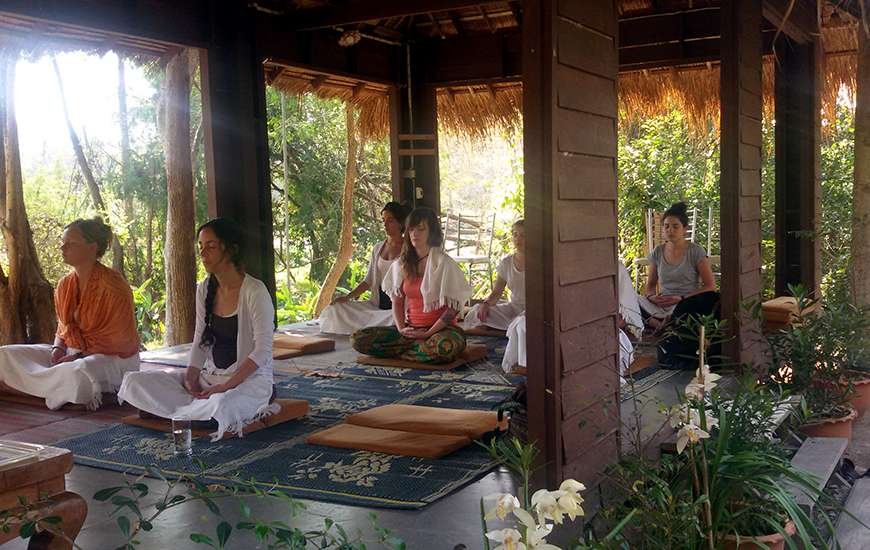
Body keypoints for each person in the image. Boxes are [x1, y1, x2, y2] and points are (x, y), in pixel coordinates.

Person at [119, 218, 278, 440]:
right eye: (201, 247)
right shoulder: (204, 289)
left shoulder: (255, 291)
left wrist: (225, 387)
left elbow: (262, 351)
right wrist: (191, 378)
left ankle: (183, 412)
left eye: (211, 246)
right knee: (135, 381)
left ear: (231, 249)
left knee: (222, 405)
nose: (203, 253)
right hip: (209, 381)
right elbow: (200, 340)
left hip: (246, 382)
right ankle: (192, 412)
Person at [0, 217, 140, 410]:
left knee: (76, 373)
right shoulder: (65, 284)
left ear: (92, 247)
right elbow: (63, 328)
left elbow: (122, 342)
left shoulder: (114, 285)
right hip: (72, 352)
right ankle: (55, 391)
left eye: (70, 244)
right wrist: (57, 349)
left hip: (112, 359)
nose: (62, 248)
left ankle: (32, 388)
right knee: (5, 355)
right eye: (62, 243)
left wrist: (76, 357)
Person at [351, 207, 473, 364]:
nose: (415, 234)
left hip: (441, 331)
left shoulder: (444, 263)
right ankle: (416, 350)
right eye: (412, 229)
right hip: (411, 330)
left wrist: (428, 333)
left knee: (445, 347)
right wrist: (402, 329)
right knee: (358, 339)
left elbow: (453, 308)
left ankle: (404, 351)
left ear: (432, 233)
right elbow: (397, 301)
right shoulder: (402, 264)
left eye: (421, 229)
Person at [638, 202, 720, 369]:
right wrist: (652, 297)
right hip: (662, 305)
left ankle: (664, 324)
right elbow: (650, 286)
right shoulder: (658, 252)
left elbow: (710, 286)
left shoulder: (695, 251)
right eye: (666, 226)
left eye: (675, 226)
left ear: (685, 229)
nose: (670, 230)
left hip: (685, 303)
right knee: (631, 299)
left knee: (708, 299)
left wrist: (680, 298)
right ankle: (659, 324)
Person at [318, 202, 408, 334]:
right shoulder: (378, 248)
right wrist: (348, 297)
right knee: (336, 308)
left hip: (400, 306)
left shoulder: (409, 249)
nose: (385, 225)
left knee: (399, 318)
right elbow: (368, 281)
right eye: (383, 220)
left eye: (390, 220)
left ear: (400, 223)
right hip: (378, 306)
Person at [464, 220, 525, 331]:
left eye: (523, 235)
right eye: (515, 235)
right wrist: (486, 304)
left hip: (534, 313)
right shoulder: (507, 263)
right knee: (478, 310)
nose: (518, 239)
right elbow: (497, 292)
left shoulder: (540, 263)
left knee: (522, 323)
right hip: (513, 309)